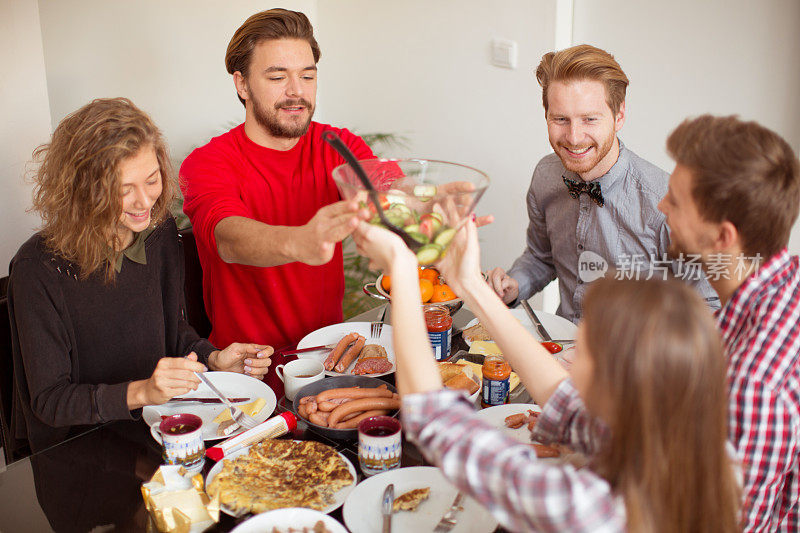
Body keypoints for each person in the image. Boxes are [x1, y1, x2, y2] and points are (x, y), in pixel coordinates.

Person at [352, 220, 740, 532]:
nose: (568, 362)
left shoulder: (588, 509)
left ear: (611, 385)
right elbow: (562, 396)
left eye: (581, 351)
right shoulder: (683, 443)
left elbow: (435, 419)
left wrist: (401, 271)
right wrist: (469, 282)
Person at [8, 98, 272, 453]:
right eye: (123, 190)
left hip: (164, 431)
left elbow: (172, 333)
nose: (144, 202)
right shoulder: (37, 269)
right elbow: (50, 402)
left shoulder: (159, 233)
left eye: (152, 180)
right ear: (83, 192)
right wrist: (143, 391)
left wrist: (213, 358)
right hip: (81, 455)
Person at [180, 9, 374, 386]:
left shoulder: (340, 146)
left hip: (331, 365)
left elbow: (386, 198)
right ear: (242, 84)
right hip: (247, 374)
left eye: (307, 75)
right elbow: (229, 238)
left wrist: (425, 209)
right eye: (277, 77)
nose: (296, 91)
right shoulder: (207, 162)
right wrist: (300, 240)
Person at [487, 44, 718, 321]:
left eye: (590, 119)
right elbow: (541, 257)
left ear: (619, 116)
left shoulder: (668, 202)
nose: (574, 137)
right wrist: (514, 286)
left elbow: (710, 309)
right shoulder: (545, 175)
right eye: (560, 119)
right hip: (562, 346)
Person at [658, 115, 800, 531]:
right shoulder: (782, 277)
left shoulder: (752, 383)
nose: (661, 205)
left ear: (723, 238)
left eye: (675, 200)